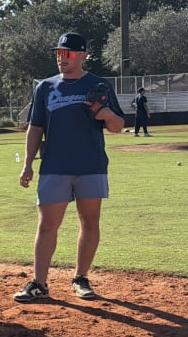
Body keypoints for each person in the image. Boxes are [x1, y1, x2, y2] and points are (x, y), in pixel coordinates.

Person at [16, 32, 125, 302]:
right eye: (58, 53)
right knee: (46, 225)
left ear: (83, 55)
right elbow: (35, 128)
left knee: (89, 223)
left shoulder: (99, 85)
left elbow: (118, 127)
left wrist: (106, 113)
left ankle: (81, 278)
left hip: (91, 165)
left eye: (67, 53)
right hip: (54, 165)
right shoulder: (45, 87)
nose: (60, 58)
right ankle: (39, 282)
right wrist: (28, 164)